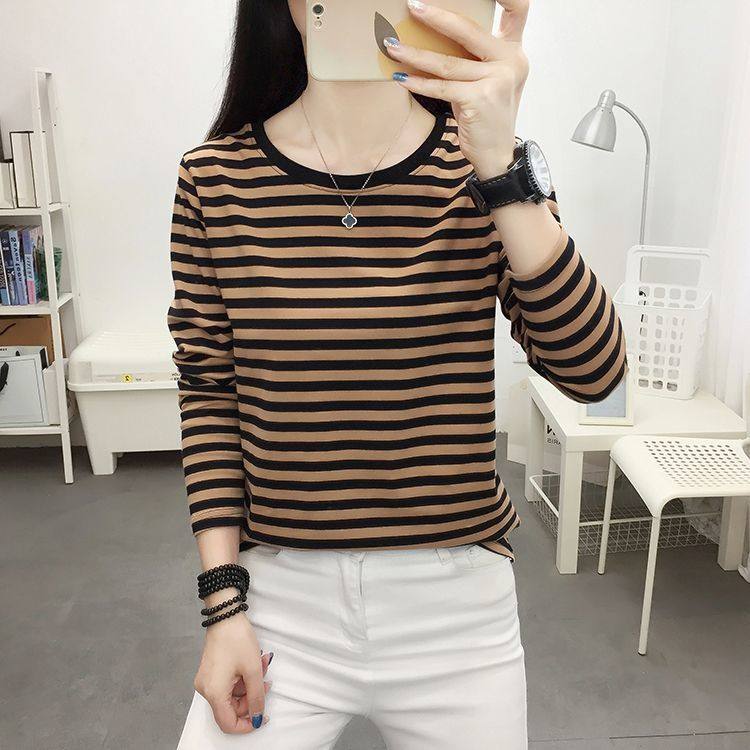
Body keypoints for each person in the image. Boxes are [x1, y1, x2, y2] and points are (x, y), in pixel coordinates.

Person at [168, 1, 627, 747]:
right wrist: (223, 609)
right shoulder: (214, 180)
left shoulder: (480, 168)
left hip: (455, 610)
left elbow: (594, 371)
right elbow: (210, 397)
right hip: (280, 599)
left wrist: (500, 166)